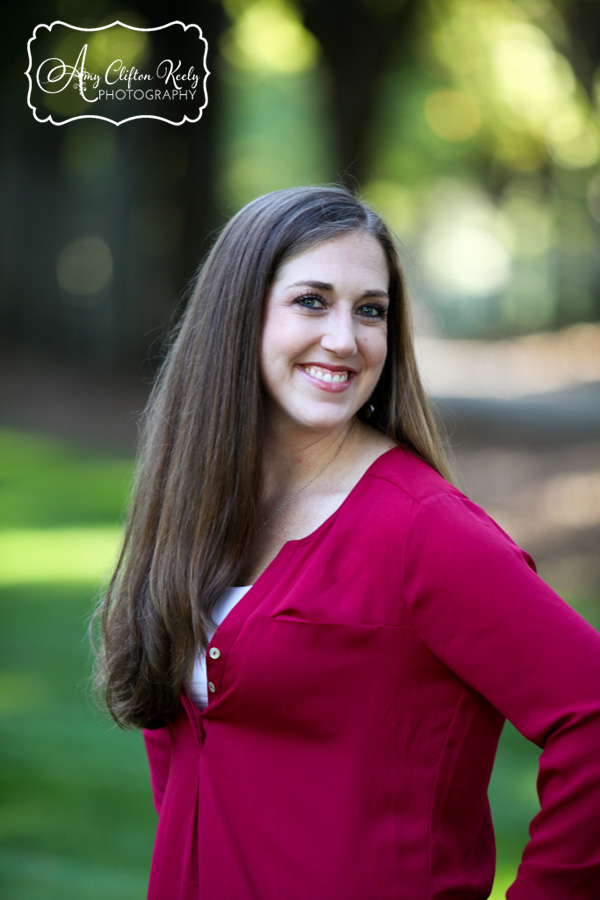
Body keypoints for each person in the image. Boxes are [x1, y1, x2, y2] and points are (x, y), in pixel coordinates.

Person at [95, 185, 600, 900]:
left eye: (371, 310)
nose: (346, 339)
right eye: (312, 301)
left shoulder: (425, 530)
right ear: (236, 316)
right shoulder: (196, 513)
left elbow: (592, 712)